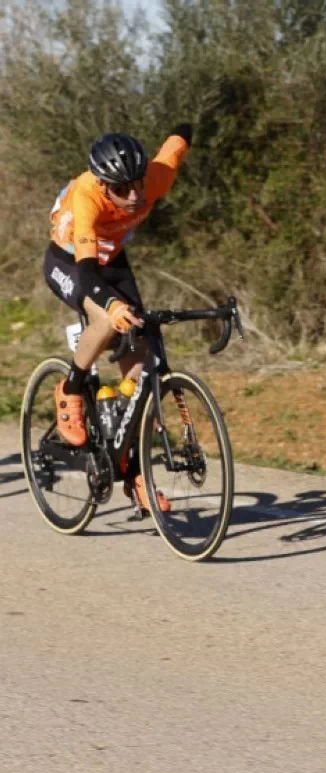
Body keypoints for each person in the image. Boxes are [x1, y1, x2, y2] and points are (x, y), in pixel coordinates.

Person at [44, 124, 194, 512]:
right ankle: (71, 390)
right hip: (72, 261)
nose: (134, 196)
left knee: (140, 363)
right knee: (109, 321)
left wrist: (184, 130)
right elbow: (90, 276)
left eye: (137, 185)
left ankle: (132, 469)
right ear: (103, 183)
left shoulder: (152, 180)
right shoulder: (86, 197)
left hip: (112, 259)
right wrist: (111, 306)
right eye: (122, 188)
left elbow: (172, 151)